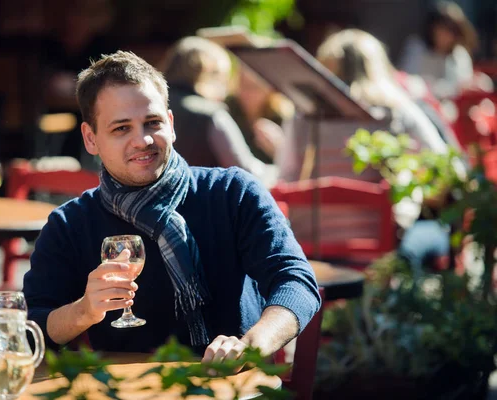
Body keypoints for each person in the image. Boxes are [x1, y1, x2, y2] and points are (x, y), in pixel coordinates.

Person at [23, 50, 321, 361]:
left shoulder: (232, 192)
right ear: (90, 139)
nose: (143, 140)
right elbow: (32, 329)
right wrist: (84, 311)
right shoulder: (70, 224)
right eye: (121, 128)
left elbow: (295, 281)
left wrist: (251, 345)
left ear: (171, 123)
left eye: (152, 123)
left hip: (229, 384)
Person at [314, 29, 464, 271]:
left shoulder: (303, 119)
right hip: (381, 249)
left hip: (312, 247)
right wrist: (414, 187)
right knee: (433, 231)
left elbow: (285, 178)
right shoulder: (397, 112)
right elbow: (451, 169)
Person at [160, 36, 280, 188]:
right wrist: (281, 166)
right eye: (223, 80)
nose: (224, 93)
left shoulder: (151, 106)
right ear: (206, 73)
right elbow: (247, 174)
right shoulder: (211, 115)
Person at [399, 1, 480, 99]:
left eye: (452, 31)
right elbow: (408, 81)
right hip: (420, 103)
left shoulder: (459, 54)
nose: (447, 35)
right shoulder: (417, 48)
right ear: (432, 28)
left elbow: (462, 86)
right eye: (443, 29)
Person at [226, 67, 294, 164]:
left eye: (253, 87)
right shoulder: (226, 111)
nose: (246, 93)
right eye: (242, 85)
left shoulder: (283, 118)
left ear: (269, 89)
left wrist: (278, 150)